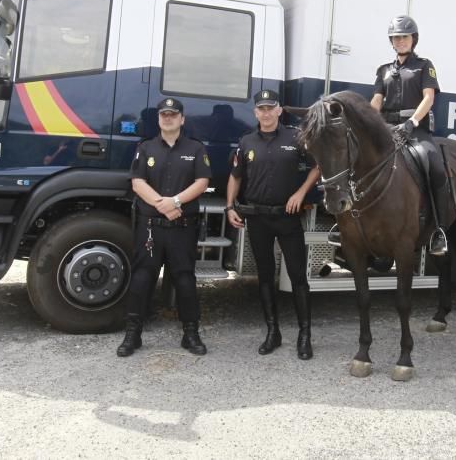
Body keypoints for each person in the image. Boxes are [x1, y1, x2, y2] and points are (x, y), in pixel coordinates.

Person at [226, 90, 321, 360]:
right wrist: (229, 206)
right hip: (258, 219)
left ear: (279, 110)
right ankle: (273, 333)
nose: (266, 113)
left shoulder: (296, 137)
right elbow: (235, 176)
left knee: (298, 277)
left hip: (288, 218)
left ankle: (305, 335)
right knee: (265, 277)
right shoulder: (246, 142)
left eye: (271, 108)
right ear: (255, 112)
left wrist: (301, 193)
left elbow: (317, 167)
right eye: (261, 109)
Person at [117, 97, 212, 357]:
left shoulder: (196, 148)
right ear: (159, 119)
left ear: (182, 119)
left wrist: (176, 201)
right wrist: (163, 205)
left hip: (182, 227)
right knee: (142, 278)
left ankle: (190, 334)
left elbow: (202, 182)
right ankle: (132, 335)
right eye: (164, 115)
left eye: (173, 114)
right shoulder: (145, 148)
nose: (168, 118)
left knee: (185, 280)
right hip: (151, 227)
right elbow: (137, 183)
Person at [370, 15, 451, 256]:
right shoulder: (383, 70)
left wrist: (412, 121)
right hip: (386, 128)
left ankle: (439, 229)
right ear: (391, 41)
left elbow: (429, 97)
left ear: (413, 39)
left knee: (434, 165)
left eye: (404, 37)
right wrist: (368, 120)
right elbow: (377, 99)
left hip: (415, 129)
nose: (400, 41)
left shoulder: (424, 65)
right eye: (396, 37)